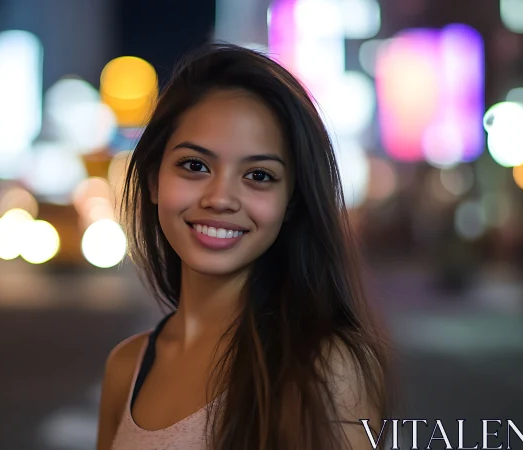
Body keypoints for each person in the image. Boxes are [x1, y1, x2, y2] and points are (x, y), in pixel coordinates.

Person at [96, 43, 393, 450]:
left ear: (292, 202)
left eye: (258, 175)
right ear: (152, 180)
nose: (220, 198)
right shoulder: (125, 369)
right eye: (195, 166)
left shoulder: (324, 367)